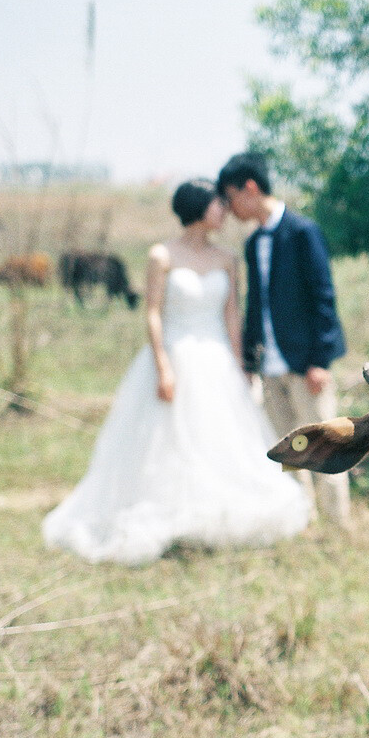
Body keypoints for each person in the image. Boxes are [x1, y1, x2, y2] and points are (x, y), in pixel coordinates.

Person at [43, 179, 309, 564]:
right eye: (218, 204)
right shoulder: (161, 255)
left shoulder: (226, 259)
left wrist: (240, 367)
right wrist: (162, 366)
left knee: (220, 438)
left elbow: (231, 315)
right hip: (175, 355)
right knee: (167, 440)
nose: (224, 211)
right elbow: (153, 312)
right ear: (198, 209)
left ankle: (216, 514)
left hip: (217, 358)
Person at [217, 152, 350, 526]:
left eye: (231, 198)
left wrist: (320, 361)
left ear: (251, 188)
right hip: (270, 365)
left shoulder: (302, 231)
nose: (229, 208)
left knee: (324, 444)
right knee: (289, 452)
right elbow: (254, 307)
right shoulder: (252, 241)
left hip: (306, 364)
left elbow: (323, 297)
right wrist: (249, 361)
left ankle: (337, 523)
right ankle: (299, 519)